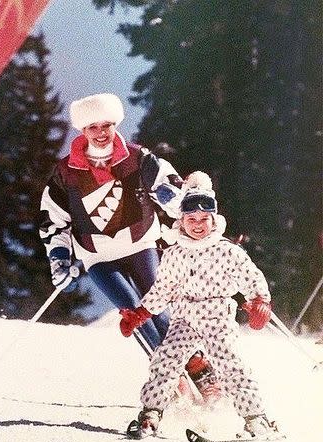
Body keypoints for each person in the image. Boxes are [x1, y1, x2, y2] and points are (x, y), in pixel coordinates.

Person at [39, 93, 218, 396]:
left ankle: (198, 366)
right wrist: (59, 257)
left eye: (106, 125)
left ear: (115, 124)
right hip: (97, 257)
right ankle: (168, 375)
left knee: (156, 306)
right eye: (93, 127)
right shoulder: (66, 172)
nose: (100, 132)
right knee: (131, 312)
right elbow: (54, 219)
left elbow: (170, 186)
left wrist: (180, 199)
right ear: (82, 130)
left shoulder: (137, 158)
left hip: (141, 245)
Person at [120, 171, 281, 440]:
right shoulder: (173, 254)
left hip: (217, 315)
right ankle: (150, 414)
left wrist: (259, 301)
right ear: (181, 221)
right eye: (191, 219)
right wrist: (140, 314)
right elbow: (163, 289)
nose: (198, 225)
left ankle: (256, 418)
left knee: (229, 363)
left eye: (204, 219)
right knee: (166, 358)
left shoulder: (226, 250)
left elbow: (250, 276)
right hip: (184, 316)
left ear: (213, 220)